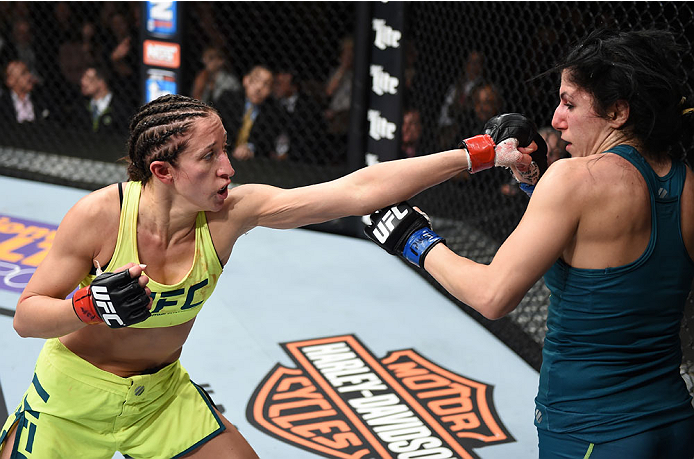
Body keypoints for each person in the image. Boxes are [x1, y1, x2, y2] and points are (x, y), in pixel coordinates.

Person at [0, 93, 536, 458]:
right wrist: (86, 307)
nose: (228, 168)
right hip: (71, 401)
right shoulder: (99, 216)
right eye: (208, 157)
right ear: (162, 172)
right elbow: (26, 318)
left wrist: (482, 153)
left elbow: (357, 190)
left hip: (160, 399)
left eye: (225, 149)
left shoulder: (234, 212)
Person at [365, 28, 694, 458]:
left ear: (617, 112)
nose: (556, 119)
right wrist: (535, 181)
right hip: (675, 423)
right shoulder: (687, 183)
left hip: (590, 432)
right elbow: (609, 250)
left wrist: (412, 238)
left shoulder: (576, 179)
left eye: (570, 103)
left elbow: (492, 295)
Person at [216, 64, 281, 161]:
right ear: (246, 80)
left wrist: (250, 148)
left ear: (270, 90)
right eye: (256, 80)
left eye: (266, 84)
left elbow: (267, 142)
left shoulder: (274, 112)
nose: (259, 88)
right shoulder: (228, 99)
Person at [271, 68, 326, 162]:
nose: (276, 87)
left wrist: (289, 155)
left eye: (280, 84)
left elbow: (308, 137)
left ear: (293, 86)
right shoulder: (272, 104)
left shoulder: (308, 106)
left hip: (301, 157)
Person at [78, 65, 131, 134]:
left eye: (88, 78)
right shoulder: (80, 107)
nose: (83, 82)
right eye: (82, 77)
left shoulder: (121, 108)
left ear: (101, 82)